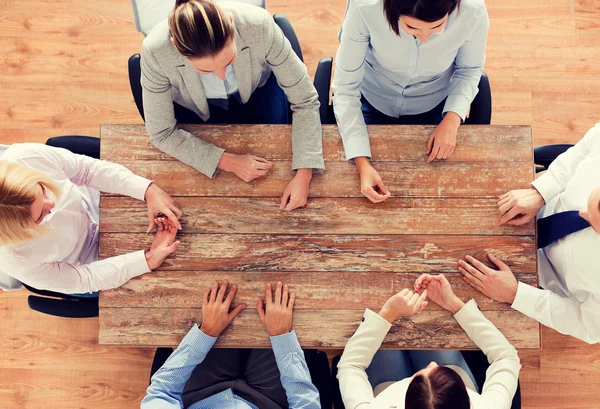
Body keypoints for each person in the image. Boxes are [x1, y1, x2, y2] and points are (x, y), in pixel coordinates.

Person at [141, 0, 324, 212]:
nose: (220, 76)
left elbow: (305, 99)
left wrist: (304, 173)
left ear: (230, 23)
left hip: (258, 90)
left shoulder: (259, 24)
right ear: (176, 47)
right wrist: (229, 162)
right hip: (195, 107)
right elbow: (162, 133)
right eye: (206, 71)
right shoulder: (156, 51)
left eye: (229, 61)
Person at [332, 0, 489, 203]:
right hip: (371, 98)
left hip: (435, 103)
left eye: (437, 27)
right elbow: (345, 88)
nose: (424, 38)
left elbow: (469, 70)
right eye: (411, 27)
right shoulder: (365, 7)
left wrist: (452, 118)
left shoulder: (472, 12)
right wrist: (361, 162)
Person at [458, 123, 600, 344]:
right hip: (534, 206)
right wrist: (542, 191)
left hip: (541, 283)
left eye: (594, 223)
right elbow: (586, 148)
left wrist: (515, 294)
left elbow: (587, 325)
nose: (582, 212)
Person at [0, 143, 182, 294]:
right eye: (39, 215)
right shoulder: (16, 261)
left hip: (98, 197)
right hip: (91, 260)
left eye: (42, 189)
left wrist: (146, 190)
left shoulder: (24, 157)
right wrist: (148, 260)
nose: (52, 205)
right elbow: (84, 278)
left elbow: (86, 170)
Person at [337, 274, 521, 409]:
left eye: (419, 376)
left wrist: (388, 313)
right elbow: (506, 357)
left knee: (387, 341)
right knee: (430, 326)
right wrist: (453, 303)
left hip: (385, 391)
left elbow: (350, 366)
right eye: (438, 370)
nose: (432, 364)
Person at [142, 280, 320, 408]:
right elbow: (305, 403)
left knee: (221, 291)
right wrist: (282, 337)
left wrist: (206, 333)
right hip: (270, 401)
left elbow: (161, 393)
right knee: (285, 300)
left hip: (201, 393)